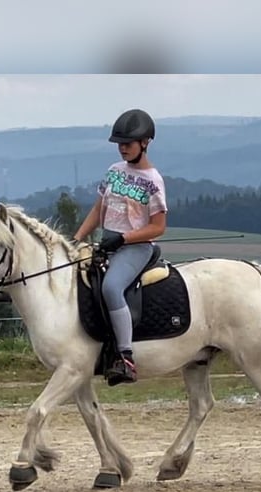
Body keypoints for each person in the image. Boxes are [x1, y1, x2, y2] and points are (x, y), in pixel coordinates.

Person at [73, 108, 168, 385]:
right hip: (107, 244)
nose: (122, 148)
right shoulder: (114, 172)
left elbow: (158, 227)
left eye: (127, 143)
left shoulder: (153, 181)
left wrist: (124, 238)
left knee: (111, 287)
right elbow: (98, 209)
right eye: (120, 144)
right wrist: (77, 239)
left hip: (135, 247)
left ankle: (125, 357)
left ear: (145, 143)